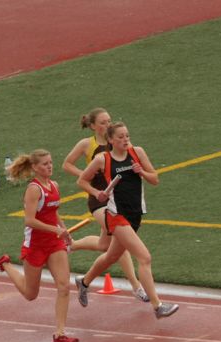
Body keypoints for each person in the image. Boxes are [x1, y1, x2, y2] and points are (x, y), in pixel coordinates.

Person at [74, 122, 179, 319]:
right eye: (121, 137)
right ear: (111, 140)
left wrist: (142, 172)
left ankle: (84, 282)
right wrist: (97, 193)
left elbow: (155, 179)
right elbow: (81, 180)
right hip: (116, 215)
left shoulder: (137, 152)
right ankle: (158, 307)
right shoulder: (102, 159)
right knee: (144, 257)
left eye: (127, 136)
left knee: (111, 256)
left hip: (135, 214)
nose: (125, 140)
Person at [0, 149, 79, 342]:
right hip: (36, 245)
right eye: (45, 164)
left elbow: (54, 213)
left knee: (64, 285)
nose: (50, 166)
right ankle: (5, 265)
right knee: (31, 294)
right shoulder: (34, 189)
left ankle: (60, 333)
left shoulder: (54, 185)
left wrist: (64, 231)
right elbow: (29, 221)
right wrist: (55, 229)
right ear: (35, 168)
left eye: (51, 162)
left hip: (54, 243)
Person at [62, 108, 149, 303]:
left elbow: (132, 160)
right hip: (99, 199)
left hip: (119, 199)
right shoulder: (87, 144)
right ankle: (136, 286)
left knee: (104, 246)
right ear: (92, 126)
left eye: (109, 121)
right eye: (102, 122)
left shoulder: (119, 142)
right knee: (122, 236)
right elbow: (66, 164)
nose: (107, 125)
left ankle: (73, 248)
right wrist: (86, 175)